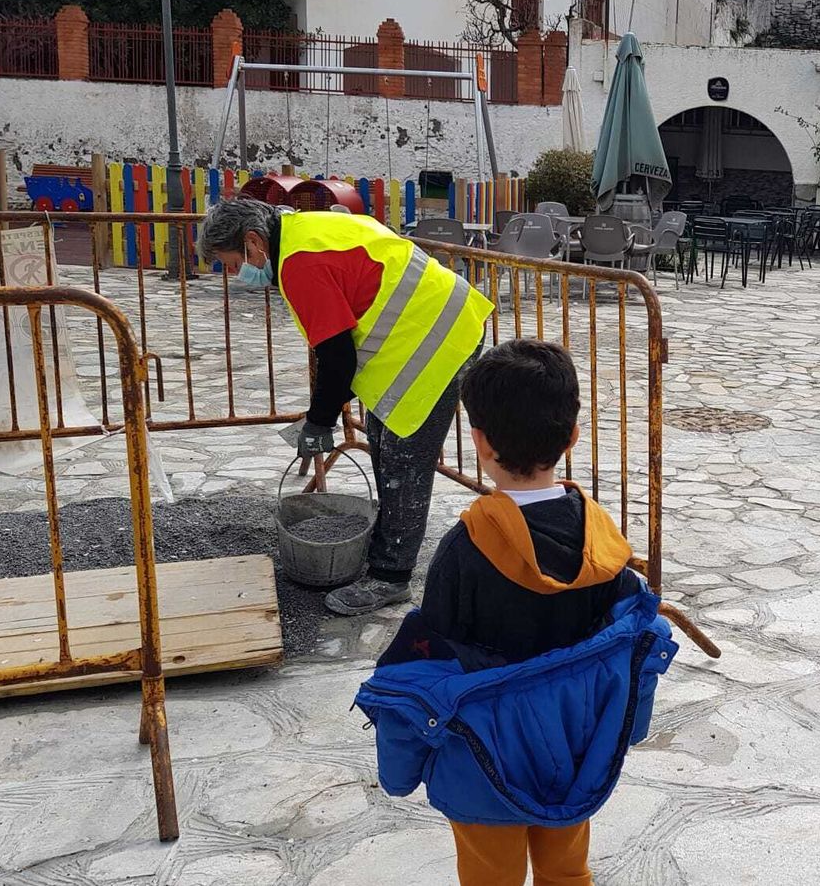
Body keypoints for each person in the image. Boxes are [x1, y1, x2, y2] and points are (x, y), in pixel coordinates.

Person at [354, 339, 677, 886]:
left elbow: (428, 668)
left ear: (480, 441)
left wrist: (402, 765)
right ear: (572, 437)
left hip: (482, 758)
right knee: (567, 870)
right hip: (574, 748)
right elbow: (620, 652)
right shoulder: (605, 547)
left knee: (491, 876)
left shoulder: (463, 550)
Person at [197, 199, 494, 616]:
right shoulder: (301, 230)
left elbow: (337, 357)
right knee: (384, 443)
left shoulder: (300, 263)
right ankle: (386, 546)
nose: (235, 273)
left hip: (440, 335)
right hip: (425, 325)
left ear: (253, 242)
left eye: (231, 263)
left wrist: (319, 422)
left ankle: (391, 576)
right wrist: (323, 414)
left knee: (405, 460)